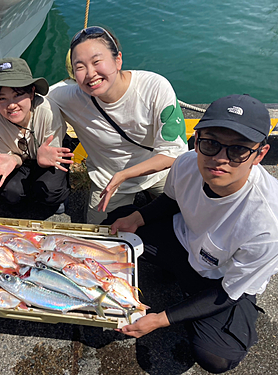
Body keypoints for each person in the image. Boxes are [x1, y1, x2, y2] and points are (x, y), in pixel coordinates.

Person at [106, 94, 278, 373]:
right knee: (116, 224)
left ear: (259, 154)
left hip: (219, 280)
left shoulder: (268, 225)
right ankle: (173, 272)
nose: (220, 159)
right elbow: (171, 200)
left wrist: (160, 319)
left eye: (238, 150)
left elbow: (228, 293)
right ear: (196, 140)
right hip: (183, 242)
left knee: (216, 357)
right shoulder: (186, 163)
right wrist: (137, 217)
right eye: (210, 143)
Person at [48, 26, 189, 224]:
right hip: (108, 180)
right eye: (80, 67)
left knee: (187, 220)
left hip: (159, 173)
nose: (90, 73)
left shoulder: (154, 87)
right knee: (100, 235)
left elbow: (173, 152)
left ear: (118, 59)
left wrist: (124, 174)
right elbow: (26, 101)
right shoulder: (68, 96)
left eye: (97, 62)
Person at [0, 57, 73, 213]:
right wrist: (13, 159)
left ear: (32, 92)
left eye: (18, 95)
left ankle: (59, 198)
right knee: (10, 193)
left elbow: (51, 154)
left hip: (48, 157)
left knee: (50, 190)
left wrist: (42, 160)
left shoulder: (47, 111)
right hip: (20, 159)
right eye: (2, 98)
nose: (12, 105)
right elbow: (8, 157)